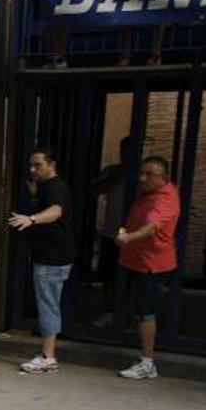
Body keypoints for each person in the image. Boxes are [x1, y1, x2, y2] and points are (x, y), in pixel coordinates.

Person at [8, 149, 75, 373]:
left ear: (51, 164)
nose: (32, 169)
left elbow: (56, 211)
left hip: (52, 258)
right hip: (48, 256)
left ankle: (48, 356)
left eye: (37, 165)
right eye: (31, 165)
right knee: (48, 303)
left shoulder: (56, 187)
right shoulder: (46, 187)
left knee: (48, 305)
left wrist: (31, 219)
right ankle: (48, 354)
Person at [115, 156, 181, 381]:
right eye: (141, 173)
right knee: (139, 310)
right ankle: (144, 356)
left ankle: (147, 363)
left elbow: (152, 226)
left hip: (151, 265)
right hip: (137, 261)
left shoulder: (163, 201)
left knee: (146, 312)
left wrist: (128, 237)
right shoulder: (149, 193)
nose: (142, 178)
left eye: (149, 175)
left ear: (164, 178)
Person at [90, 137, 132, 328]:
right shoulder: (112, 171)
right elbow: (93, 190)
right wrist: (118, 176)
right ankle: (110, 312)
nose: (127, 155)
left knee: (132, 278)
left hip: (135, 236)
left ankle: (128, 315)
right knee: (109, 276)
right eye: (125, 150)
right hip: (111, 232)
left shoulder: (144, 173)